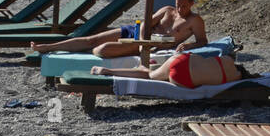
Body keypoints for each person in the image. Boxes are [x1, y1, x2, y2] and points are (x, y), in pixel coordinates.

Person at [30, 0, 208, 59]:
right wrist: (140, 38)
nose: (180, 8)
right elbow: (147, 22)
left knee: (102, 49)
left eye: (184, 6)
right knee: (93, 39)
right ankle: (48, 46)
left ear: (192, 3)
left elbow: (203, 41)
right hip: (139, 36)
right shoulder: (167, 10)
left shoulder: (195, 21)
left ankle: (81, 50)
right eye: (178, 4)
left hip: (153, 47)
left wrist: (188, 44)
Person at [89, 50, 251, 89]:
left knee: (149, 73)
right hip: (183, 79)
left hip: (182, 59)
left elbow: (225, 55)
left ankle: (109, 71)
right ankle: (109, 72)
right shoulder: (235, 79)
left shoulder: (228, 61)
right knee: (150, 76)